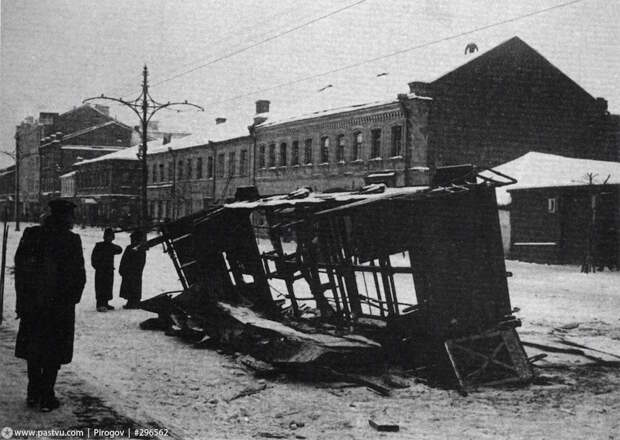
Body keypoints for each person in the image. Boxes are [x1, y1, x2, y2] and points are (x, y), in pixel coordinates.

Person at [14, 199, 86, 412]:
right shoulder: (71, 240)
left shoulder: (32, 234)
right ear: (66, 217)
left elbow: (20, 269)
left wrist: (23, 300)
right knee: (54, 351)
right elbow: (78, 275)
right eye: (71, 216)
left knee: (34, 350)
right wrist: (71, 299)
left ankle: (33, 392)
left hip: (34, 304)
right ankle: (47, 395)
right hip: (59, 307)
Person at [91, 228, 123, 312]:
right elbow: (93, 259)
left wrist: (112, 245)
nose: (109, 238)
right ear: (104, 237)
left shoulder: (112, 247)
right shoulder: (99, 246)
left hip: (109, 270)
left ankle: (105, 303)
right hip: (101, 271)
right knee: (100, 287)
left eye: (111, 237)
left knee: (108, 287)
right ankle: (100, 304)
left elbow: (120, 250)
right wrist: (98, 267)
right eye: (108, 236)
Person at [119, 230, 146, 309]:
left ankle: (134, 302)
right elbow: (124, 259)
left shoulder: (140, 248)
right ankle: (130, 302)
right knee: (129, 287)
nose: (131, 240)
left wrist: (137, 270)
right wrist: (122, 269)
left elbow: (141, 261)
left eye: (133, 239)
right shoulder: (129, 247)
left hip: (135, 272)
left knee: (134, 287)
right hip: (128, 272)